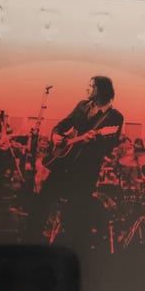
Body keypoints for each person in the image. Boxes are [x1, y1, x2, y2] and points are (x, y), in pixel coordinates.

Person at [33, 76, 123, 253]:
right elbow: (62, 125)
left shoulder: (115, 117)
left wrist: (94, 141)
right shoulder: (82, 106)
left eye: (91, 86)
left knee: (76, 211)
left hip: (85, 172)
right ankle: (36, 239)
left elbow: (108, 146)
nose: (87, 89)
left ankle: (73, 249)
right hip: (63, 164)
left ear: (101, 90)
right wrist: (55, 135)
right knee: (44, 199)